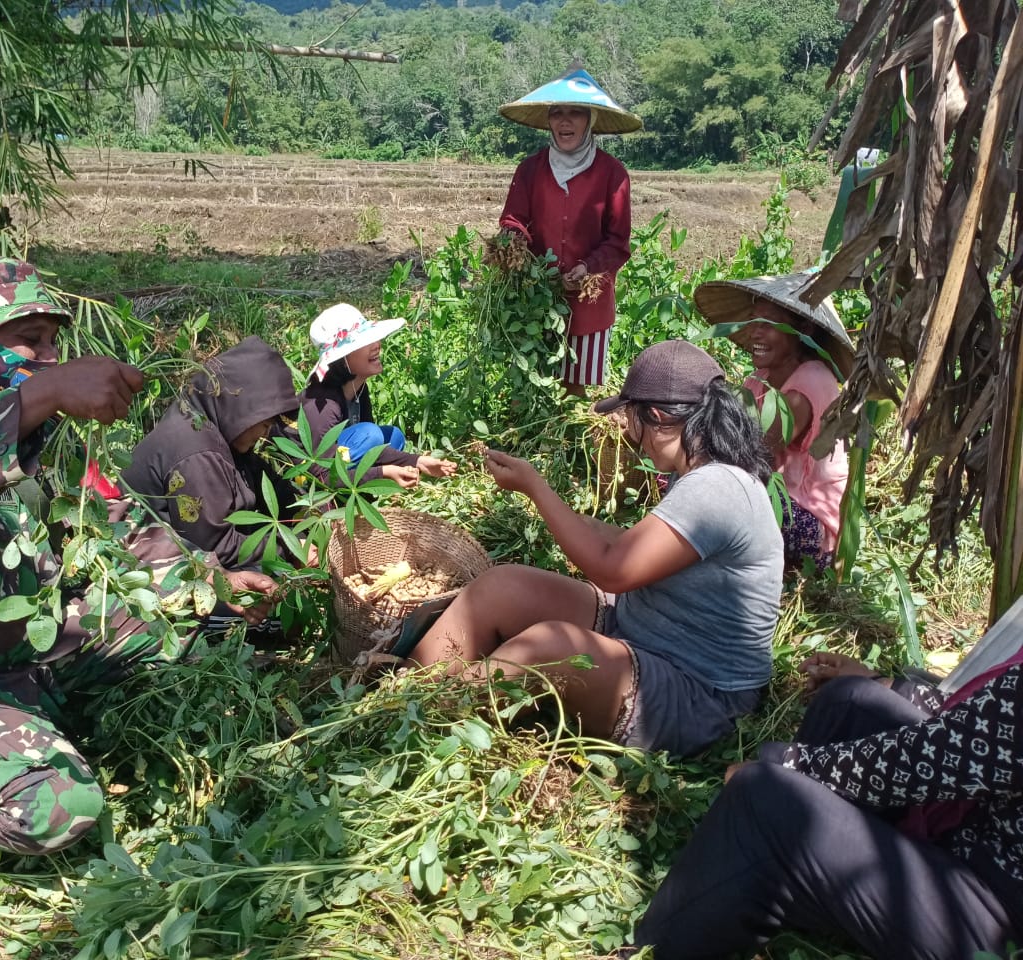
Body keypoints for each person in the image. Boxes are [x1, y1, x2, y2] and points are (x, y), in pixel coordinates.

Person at [0, 257, 276, 869]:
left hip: (38, 654)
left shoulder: (42, 439)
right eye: (31, 340)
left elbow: (120, 527)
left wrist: (214, 578)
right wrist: (41, 395)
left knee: (194, 619)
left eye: (54, 341)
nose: (50, 356)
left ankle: (44, 722)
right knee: (58, 806)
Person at [409, 340, 783, 756]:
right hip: (638, 628)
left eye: (630, 417)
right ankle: (413, 680)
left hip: (698, 695)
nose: (628, 432)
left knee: (548, 648)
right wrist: (568, 515)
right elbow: (628, 545)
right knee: (501, 586)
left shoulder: (716, 487)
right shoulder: (697, 472)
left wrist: (536, 489)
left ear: (656, 418)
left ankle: (426, 710)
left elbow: (611, 570)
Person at [632, 644, 1023, 959]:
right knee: (850, 701)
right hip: (981, 836)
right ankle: (769, 887)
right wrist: (884, 682)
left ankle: (648, 951)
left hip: (1000, 920)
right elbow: (982, 727)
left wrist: (790, 765)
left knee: (765, 799)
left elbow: (923, 763)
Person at [694, 271, 855, 570]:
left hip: (809, 523)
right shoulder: (760, 378)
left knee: (707, 491)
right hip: (774, 496)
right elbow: (731, 428)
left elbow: (751, 453)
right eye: (754, 321)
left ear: (803, 328)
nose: (755, 332)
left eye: (768, 324)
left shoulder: (811, 381)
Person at [497, 62, 641, 393]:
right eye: (556, 112)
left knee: (575, 393)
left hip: (589, 303)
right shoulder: (530, 170)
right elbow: (513, 219)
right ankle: (529, 445)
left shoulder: (612, 174)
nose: (564, 120)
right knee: (529, 389)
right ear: (548, 121)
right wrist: (515, 247)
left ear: (590, 120)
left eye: (575, 112)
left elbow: (617, 241)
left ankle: (573, 447)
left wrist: (587, 267)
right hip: (534, 300)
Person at [123, 336, 302, 569]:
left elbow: (260, 476)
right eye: (265, 424)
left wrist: (301, 513)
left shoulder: (210, 421)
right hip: (155, 569)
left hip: (189, 551)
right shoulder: (197, 453)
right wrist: (290, 548)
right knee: (268, 582)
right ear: (243, 412)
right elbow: (216, 549)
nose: (264, 434)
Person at [300, 302, 455, 489]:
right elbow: (320, 476)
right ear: (342, 358)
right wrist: (383, 473)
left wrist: (418, 461)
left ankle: (364, 485)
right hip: (309, 479)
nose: (376, 346)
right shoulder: (323, 404)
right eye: (366, 342)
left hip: (342, 457)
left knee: (392, 436)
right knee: (370, 434)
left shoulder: (359, 388)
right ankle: (356, 491)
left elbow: (373, 450)